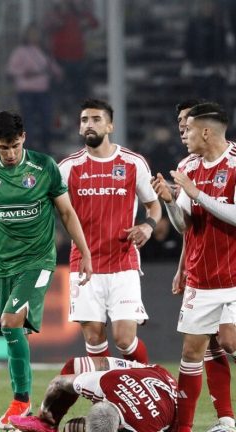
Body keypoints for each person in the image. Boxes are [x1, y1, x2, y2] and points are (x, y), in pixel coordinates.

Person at [0, 110, 93, 430]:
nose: (9, 154)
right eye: (3, 148)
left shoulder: (44, 167)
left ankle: (21, 401)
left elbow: (66, 212)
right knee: (11, 332)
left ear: (23, 139)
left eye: (14, 146)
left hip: (37, 261)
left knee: (11, 322)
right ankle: (21, 403)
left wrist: (85, 253)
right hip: (3, 265)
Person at [152, 102, 236, 432]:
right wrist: (171, 202)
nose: (182, 134)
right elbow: (184, 225)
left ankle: (226, 419)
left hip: (233, 275)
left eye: (188, 129)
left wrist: (197, 193)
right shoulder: (187, 166)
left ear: (206, 131)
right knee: (191, 351)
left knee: (229, 340)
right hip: (202, 277)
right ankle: (183, 428)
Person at [58, 99, 159, 363]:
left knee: (124, 339)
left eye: (96, 119)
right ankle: (106, 400)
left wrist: (148, 226)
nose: (89, 125)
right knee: (93, 338)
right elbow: (53, 209)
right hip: (84, 264)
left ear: (110, 125)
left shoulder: (132, 163)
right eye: (84, 120)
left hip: (123, 262)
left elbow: (154, 206)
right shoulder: (68, 167)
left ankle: (146, 385)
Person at [9, 356, 178, 432]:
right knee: (74, 365)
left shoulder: (145, 428)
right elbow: (58, 382)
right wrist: (45, 410)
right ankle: (46, 426)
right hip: (144, 374)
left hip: (170, 400)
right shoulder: (105, 381)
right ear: (99, 400)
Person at [6, 23, 62, 154]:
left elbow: (52, 67)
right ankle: (29, 147)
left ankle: (45, 145)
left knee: (46, 119)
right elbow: (11, 69)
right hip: (26, 90)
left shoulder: (44, 52)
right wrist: (24, 72)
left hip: (43, 90)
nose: (35, 37)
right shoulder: (20, 52)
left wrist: (58, 74)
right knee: (28, 120)